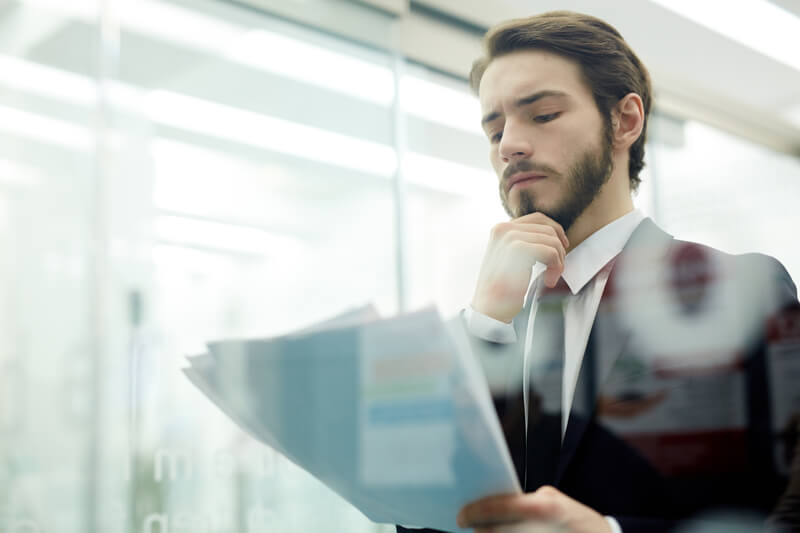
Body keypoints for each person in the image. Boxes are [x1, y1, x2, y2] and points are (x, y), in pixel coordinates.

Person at [396, 10, 800, 533]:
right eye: (494, 128)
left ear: (625, 121)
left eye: (541, 115)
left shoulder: (745, 294)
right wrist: (484, 327)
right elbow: (415, 520)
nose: (508, 145)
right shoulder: (487, 326)